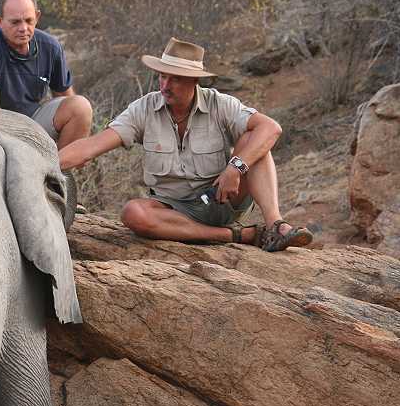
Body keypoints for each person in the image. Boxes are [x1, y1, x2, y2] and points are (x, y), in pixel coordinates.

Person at [59, 37, 313, 252]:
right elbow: (91, 146)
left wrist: (235, 168)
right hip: (175, 213)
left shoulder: (219, 104)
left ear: (194, 81)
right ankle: (238, 236)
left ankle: (275, 225)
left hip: (224, 197)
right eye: (162, 77)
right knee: (133, 213)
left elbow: (271, 128)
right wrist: (46, 164)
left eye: (175, 79)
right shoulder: (143, 109)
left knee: (253, 139)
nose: (165, 86)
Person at [0, 0, 92, 150]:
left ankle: (60, 172)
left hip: (29, 121)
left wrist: (81, 136)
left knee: (80, 107)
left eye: (29, 21)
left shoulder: (50, 47)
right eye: (15, 22)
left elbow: (66, 97)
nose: (23, 28)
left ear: (37, 17)